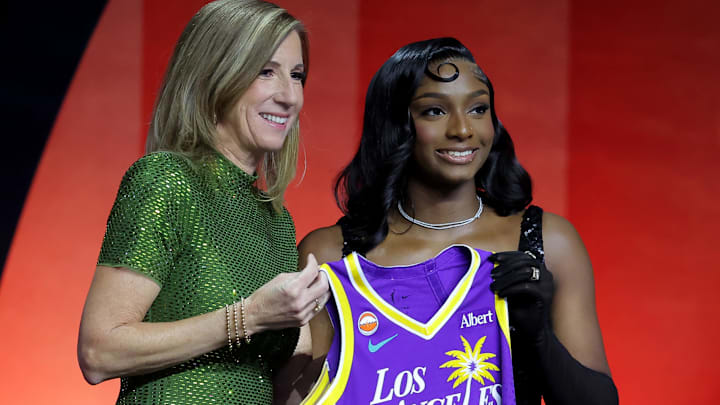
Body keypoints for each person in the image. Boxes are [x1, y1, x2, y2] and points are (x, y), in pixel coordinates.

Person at [298, 38, 618, 404]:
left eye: (479, 109)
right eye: (435, 111)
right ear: (395, 123)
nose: (463, 130)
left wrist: (539, 336)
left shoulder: (549, 241)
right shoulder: (332, 254)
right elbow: (297, 393)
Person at [77, 1, 330, 404]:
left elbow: (265, 386)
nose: (288, 96)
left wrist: (307, 355)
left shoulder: (278, 222)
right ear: (216, 75)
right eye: (266, 71)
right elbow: (99, 352)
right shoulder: (166, 181)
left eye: (296, 75)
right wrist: (249, 317)